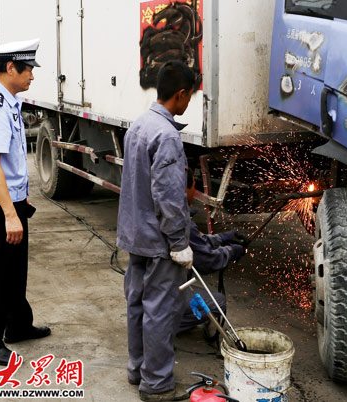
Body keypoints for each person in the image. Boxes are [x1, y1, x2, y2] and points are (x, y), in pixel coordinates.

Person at [117, 61, 196, 401]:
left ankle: (137, 368)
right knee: (160, 310)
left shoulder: (139, 125)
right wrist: (179, 242)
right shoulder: (167, 135)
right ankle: (157, 383)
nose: (189, 102)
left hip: (135, 234)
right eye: (190, 97)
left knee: (136, 302)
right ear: (180, 94)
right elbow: (169, 195)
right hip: (159, 240)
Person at [0, 38, 50, 366]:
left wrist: (20, 196)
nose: (32, 75)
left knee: (15, 269)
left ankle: (18, 325)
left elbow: (10, 160)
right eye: (28, 68)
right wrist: (9, 213)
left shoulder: (10, 101)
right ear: (10, 68)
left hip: (13, 198)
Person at [179, 169, 246, 334]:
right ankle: (169, 325)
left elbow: (197, 243)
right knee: (218, 303)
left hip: (146, 288)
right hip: (165, 293)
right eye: (193, 187)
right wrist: (231, 251)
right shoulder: (181, 221)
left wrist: (222, 237)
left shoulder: (161, 211)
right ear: (185, 189)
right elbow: (206, 261)